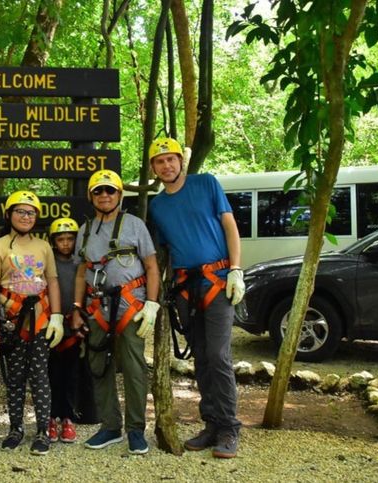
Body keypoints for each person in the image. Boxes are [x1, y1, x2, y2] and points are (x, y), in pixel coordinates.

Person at [147, 137, 245, 459]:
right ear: (154, 168)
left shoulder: (206, 184)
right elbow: (164, 252)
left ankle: (229, 427)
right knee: (201, 357)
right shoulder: (158, 206)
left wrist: (236, 269)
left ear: (180, 161)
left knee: (218, 355)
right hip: (187, 287)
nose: (167, 165)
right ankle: (212, 424)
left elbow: (229, 226)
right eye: (160, 162)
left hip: (218, 279)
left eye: (171, 159)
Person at [70, 169, 160, 456]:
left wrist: (152, 304)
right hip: (98, 308)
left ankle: (135, 430)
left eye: (110, 191)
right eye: (99, 191)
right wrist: (76, 308)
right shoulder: (85, 231)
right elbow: (82, 273)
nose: (105, 195)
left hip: (130, 307)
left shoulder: (135, 225)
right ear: (91, 196)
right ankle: (110, 425)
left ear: (119, 195)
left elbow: (152, 267)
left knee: (134, 369)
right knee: (99, 366)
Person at [0, 190, 64, 456]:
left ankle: (42, 430)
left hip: (39, 318)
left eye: (30, 212)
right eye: (20, 211)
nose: (25, 216)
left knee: (40, 376)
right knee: (15, 378)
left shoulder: (43, 246)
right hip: (11, 319)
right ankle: (15, 428)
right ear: (9, 215)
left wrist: (57, 316)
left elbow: (52, 280)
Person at [47, 218, 82, 444]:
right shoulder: (48, 263)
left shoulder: (81, 263)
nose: (66, 243)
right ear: (53, 241)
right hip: (51, 325)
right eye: (61, 239)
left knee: (70, 375)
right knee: (51, 374)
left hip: (74, 326)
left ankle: (68, 417)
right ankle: (51, 417)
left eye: (70, 239)